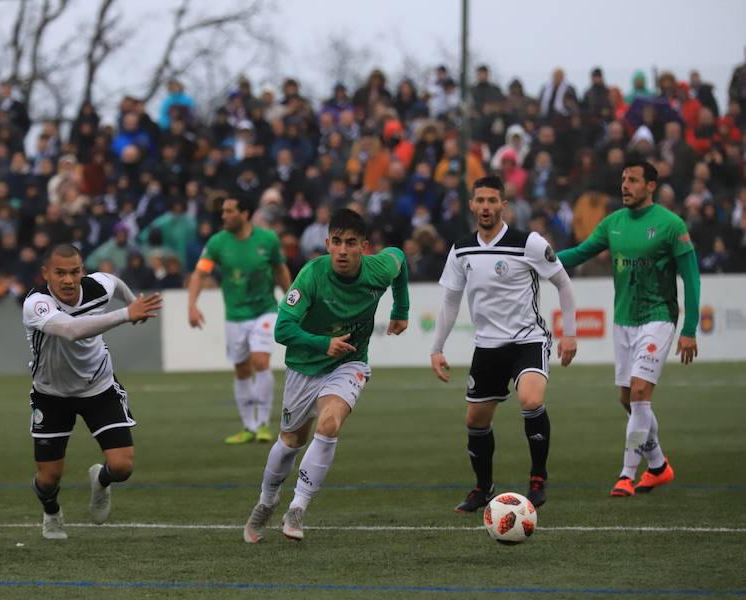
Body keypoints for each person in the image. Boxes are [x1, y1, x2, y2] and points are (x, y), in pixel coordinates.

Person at [242, 208, 410, 543]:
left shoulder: (378, 268)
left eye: (351, 243)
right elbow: (283, 329)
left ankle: (298, 508)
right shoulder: (311, 275)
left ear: (363, 246)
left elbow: (400, 258)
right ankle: (266, 500)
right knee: (290, 441)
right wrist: (322, 343)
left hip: (350, 362)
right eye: (337, 242)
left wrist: (400, 309)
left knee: (330, 423)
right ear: (327, 243)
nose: (343, 250)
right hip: (305, 366)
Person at [429, 175, 579, 512]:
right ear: (471, 204)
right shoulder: (461, 248)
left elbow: (564, 284)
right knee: (475, 421)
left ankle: (537, 479)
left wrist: (569, 333)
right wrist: (437, 348)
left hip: (528, 339)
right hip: (487, 348)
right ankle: (483, 488)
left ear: (503, 205)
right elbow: (450, 301)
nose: (485, 207)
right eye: (479, 200)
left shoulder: (530, 243)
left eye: (492, 201)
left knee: (530, 399)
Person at [557, 160, 700, 497]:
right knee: (629, 399)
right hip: (624, 321)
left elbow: (691, 278)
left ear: (651, 186)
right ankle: (659, 466)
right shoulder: (613, 223)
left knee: (638, 394)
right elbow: (579, 254)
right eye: (623, 179)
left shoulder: (670, 225)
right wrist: (535, 258)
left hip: (658, 317)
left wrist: (689, 328)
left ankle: (626, 475)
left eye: (633, 180)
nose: (625, 186)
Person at [22, 243, 162, 539]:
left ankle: (101, 479)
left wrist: (133, 303)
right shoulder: (37, 304)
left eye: (75, 272)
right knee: (48, 479)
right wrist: (126, 313)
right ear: (45, 273)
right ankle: (51, 512)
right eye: (60, 273)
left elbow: (116, 283)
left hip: (98, 387)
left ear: (83, 270)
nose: (69, 280)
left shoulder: (98, 284)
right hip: (51, 395)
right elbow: (72, 330)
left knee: (122, 467)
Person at [188, 196, 292, 444]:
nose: (223, 216)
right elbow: (200, 273)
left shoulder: (268, 240)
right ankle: (249, 427)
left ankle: (265, 425)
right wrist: (192, 305)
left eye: (229, 211)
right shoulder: (217, 243)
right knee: (242, 369)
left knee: (260, 360)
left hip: (265, 310)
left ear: (245, 214)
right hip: (234, 315)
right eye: (223, 211)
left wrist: (290, 300)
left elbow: (280, 269)